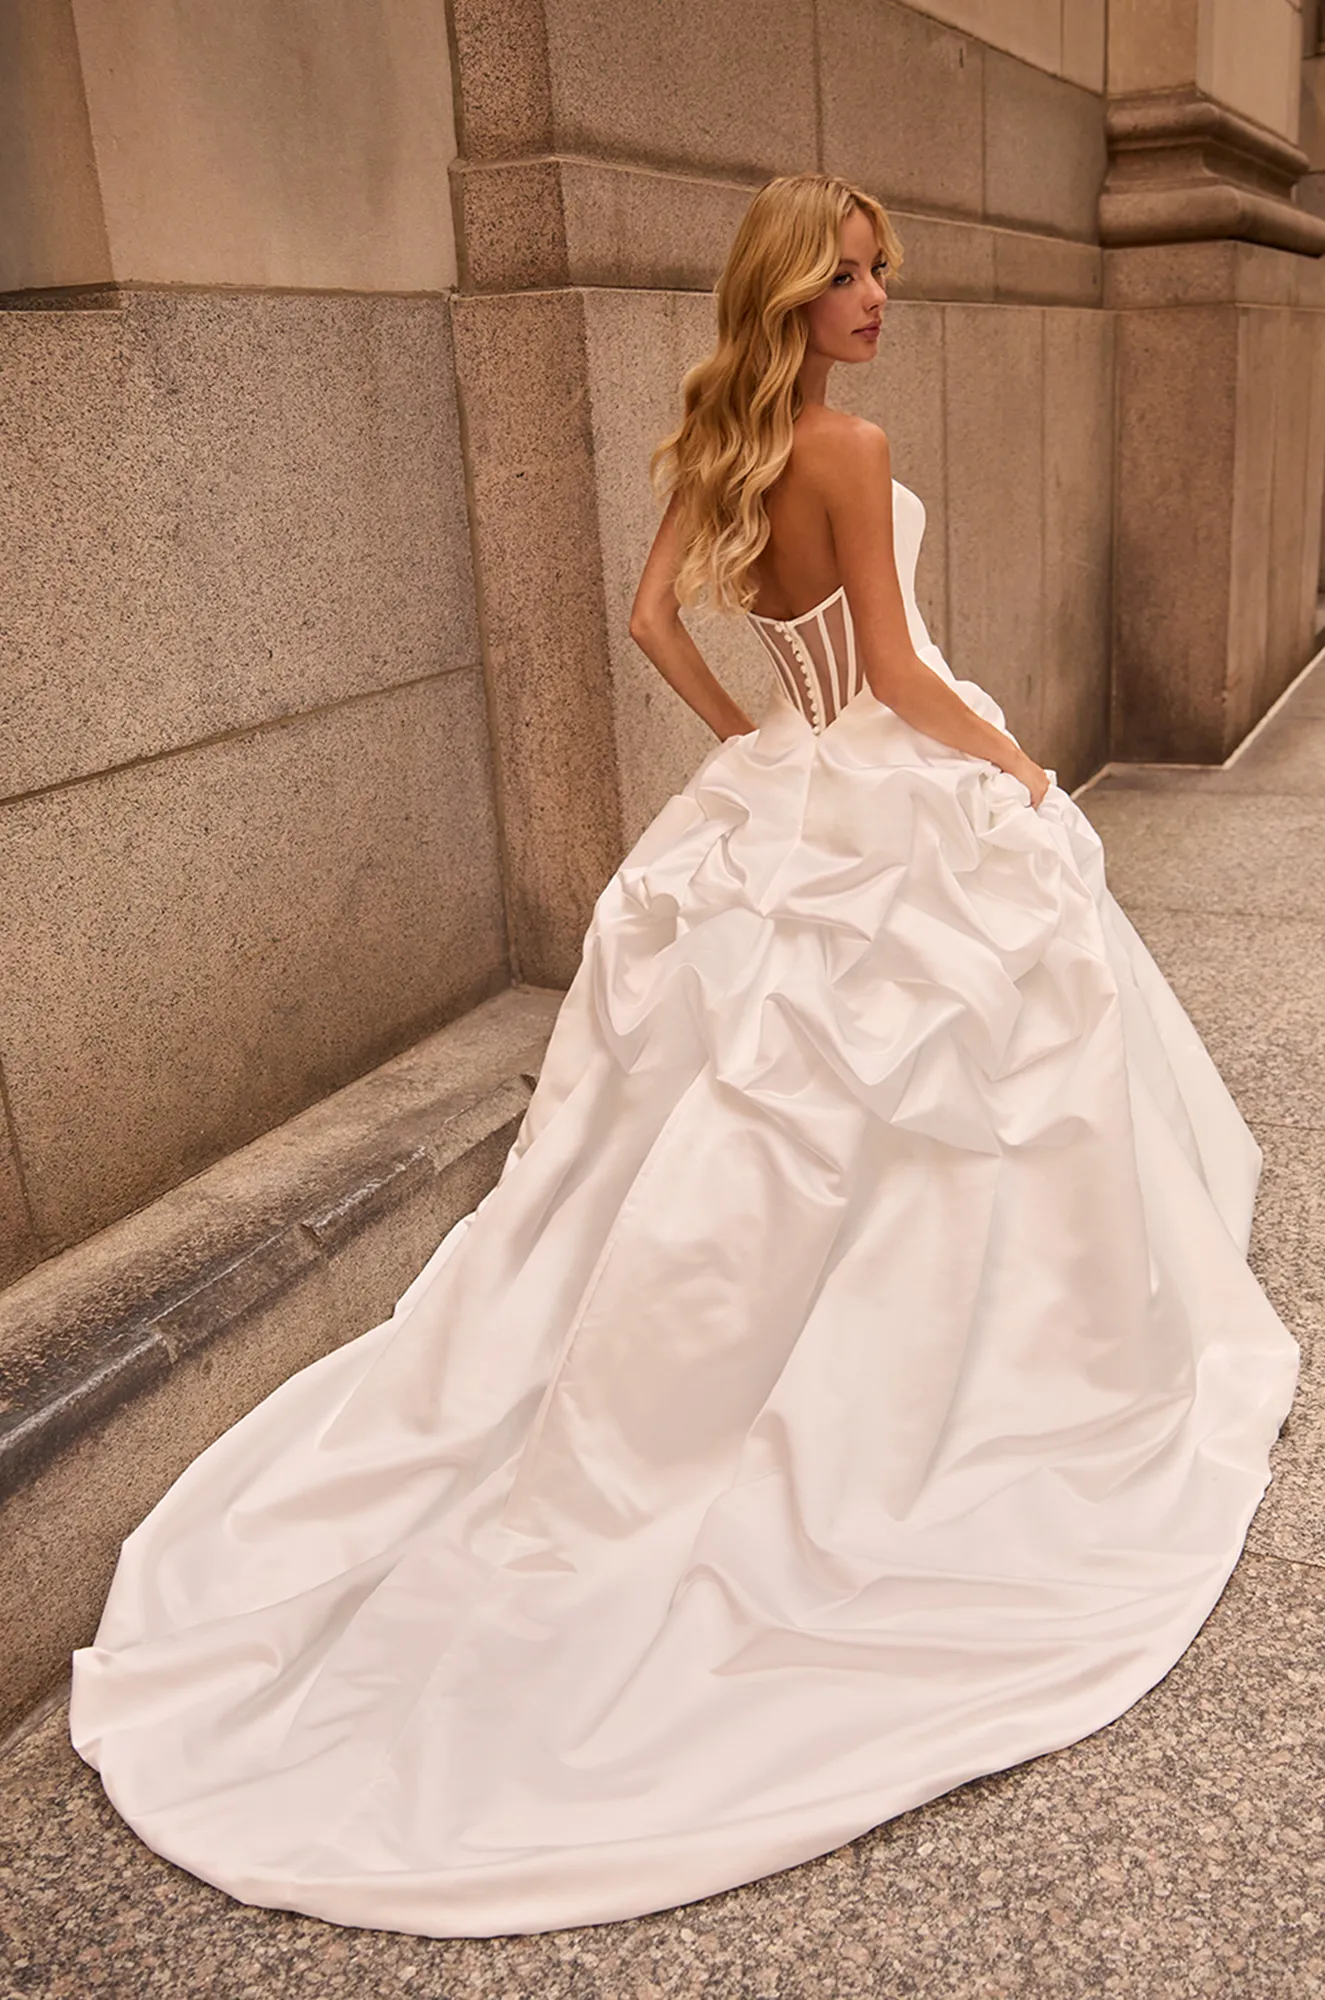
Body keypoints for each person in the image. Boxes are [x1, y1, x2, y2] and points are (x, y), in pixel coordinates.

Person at [69, 173, 1298, 1941]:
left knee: (759, 1120)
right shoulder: (851, 453)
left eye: (884, 271)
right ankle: (951, 1391)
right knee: (942, 1090)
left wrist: (761, 750)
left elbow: (660, 623)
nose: (879, 296)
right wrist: (1009, 774)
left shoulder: (717, 447)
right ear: (790, 297)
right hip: (880, 772)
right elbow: (891, 665)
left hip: (794, 780)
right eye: (851, 276)